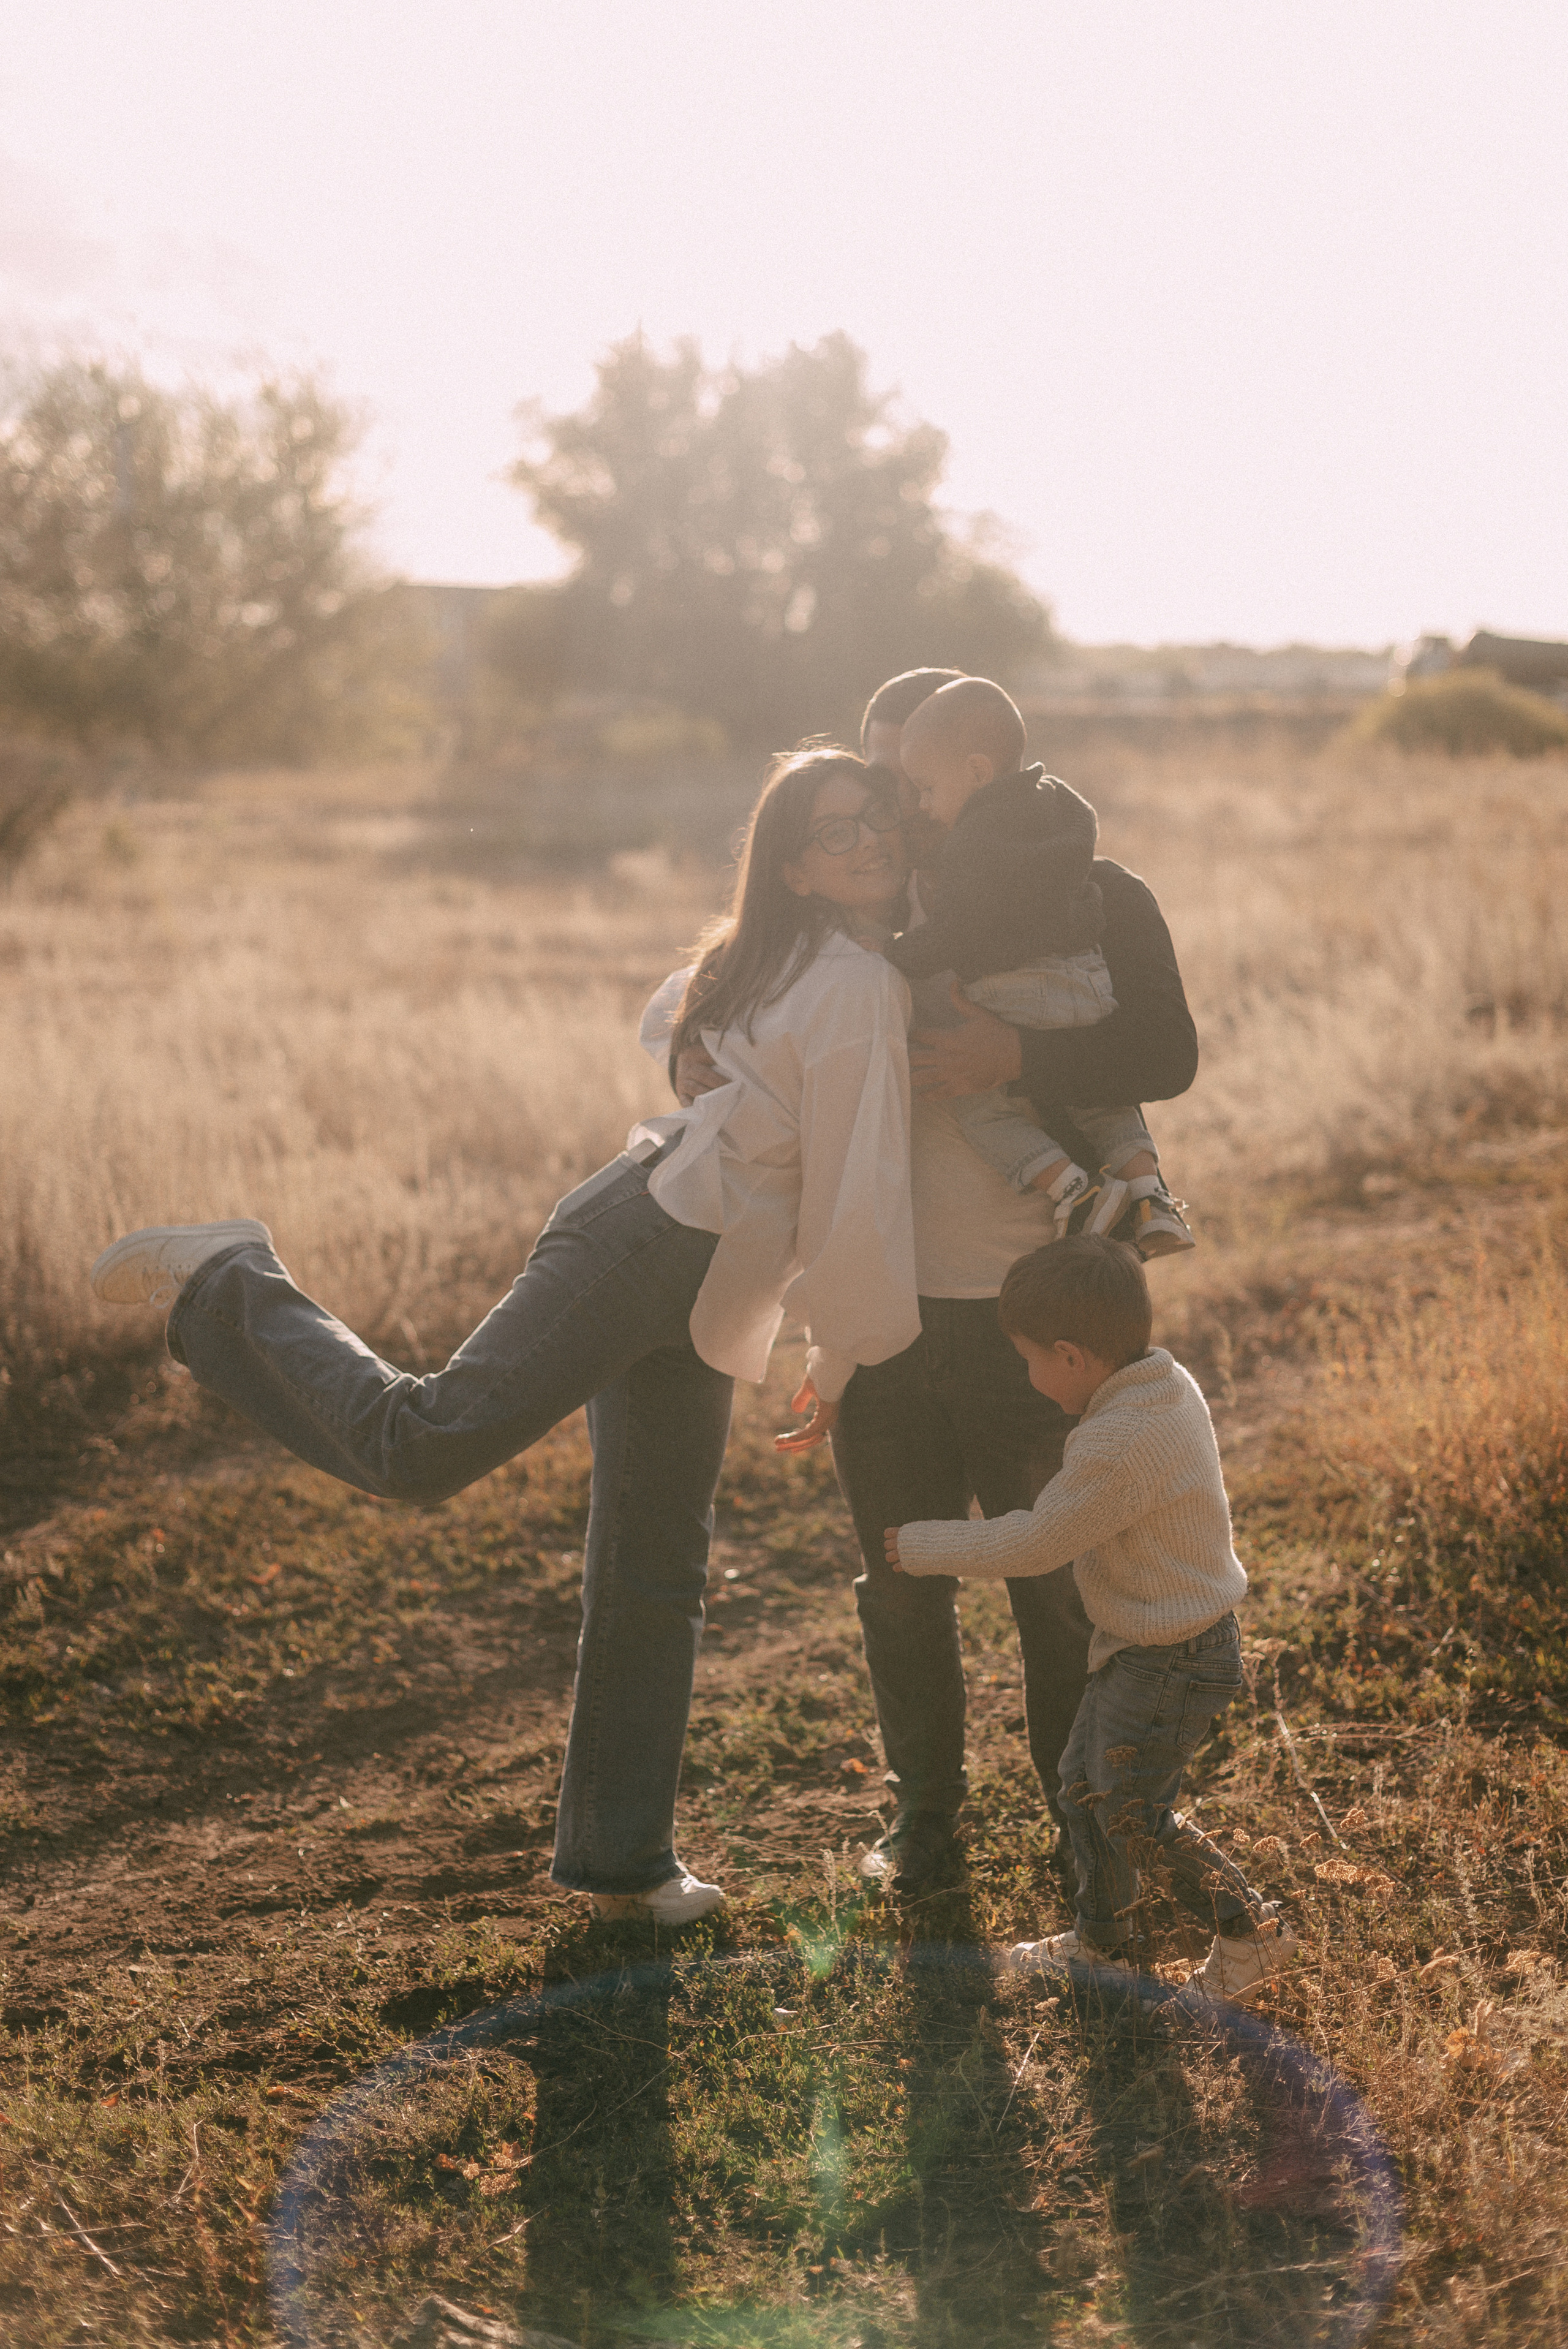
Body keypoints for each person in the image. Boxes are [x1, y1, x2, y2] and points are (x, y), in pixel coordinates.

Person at [88, 749, 922, 1926]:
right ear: (792, 861)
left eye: (878, 817)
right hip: (647, 1237)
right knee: (424, 1443)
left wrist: (707, 1066)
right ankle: (233, 1278)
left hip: (702, 1272)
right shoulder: (847, 976)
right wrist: (841, 1347)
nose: (868, 840)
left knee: (656, 1568)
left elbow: (681, 1021)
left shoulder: (827, 958)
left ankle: (621, 1861)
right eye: (836, 830)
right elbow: (856, 1177)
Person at [676, 667, 1201, 1898]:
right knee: (897, 1580)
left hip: (1042, 1309)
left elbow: (1166, 1049)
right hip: (888, 1311)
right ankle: (923, 1823)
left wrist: (1016, 1049)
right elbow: (723, 1019)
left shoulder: (1085, 894)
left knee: (1059, 1597)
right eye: (870, 798)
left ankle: (1088, 1845)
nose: (890, 823)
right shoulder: (847, 923)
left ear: (956, 771)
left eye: (900, 791)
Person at [885, 1236, 1299, 2002]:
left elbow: (1039, 1540)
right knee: (1084, 1787)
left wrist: (921, 1544)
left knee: (1134, 1811)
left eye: (1027, 1358)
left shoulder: (1119, 1440)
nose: (1026, 1374)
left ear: (1071, 1357)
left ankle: (1253, 1931)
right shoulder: (1160, 1382)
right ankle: (1104, 1942)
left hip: (1170, 1656)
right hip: (1147, 1646)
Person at [890, 678, 1194, 1257]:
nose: (912, 805)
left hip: (1068, 1272)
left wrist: (1019, 1056)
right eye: (892, 789)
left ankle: (1081, 1194)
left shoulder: (1107, 893)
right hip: (922, 1286)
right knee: (1108, 1115)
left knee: (987, 1113)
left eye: (921, 785)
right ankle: (1147, 1194)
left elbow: (1169, 1057)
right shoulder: (863, 911)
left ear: (975, 771)